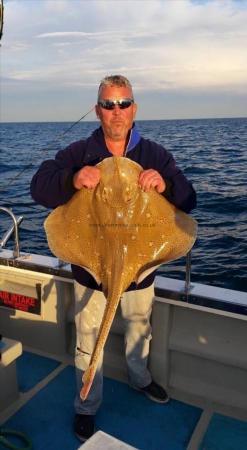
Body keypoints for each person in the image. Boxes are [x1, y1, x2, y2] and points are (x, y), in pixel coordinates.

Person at [30, 75, 196, 442]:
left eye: (123, 103)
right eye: (109, 104)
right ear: (98, 110)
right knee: (88, 338)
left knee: (140, 328)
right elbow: (39, 185)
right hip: (91, 270)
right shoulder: (79, 152)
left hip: (140, 272)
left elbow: (190, 200)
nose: (116, 111)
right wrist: (73, 178)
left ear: (134, 108)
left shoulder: (154, 155)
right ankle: (86, 404)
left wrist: (166, 185)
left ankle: (141, 379)